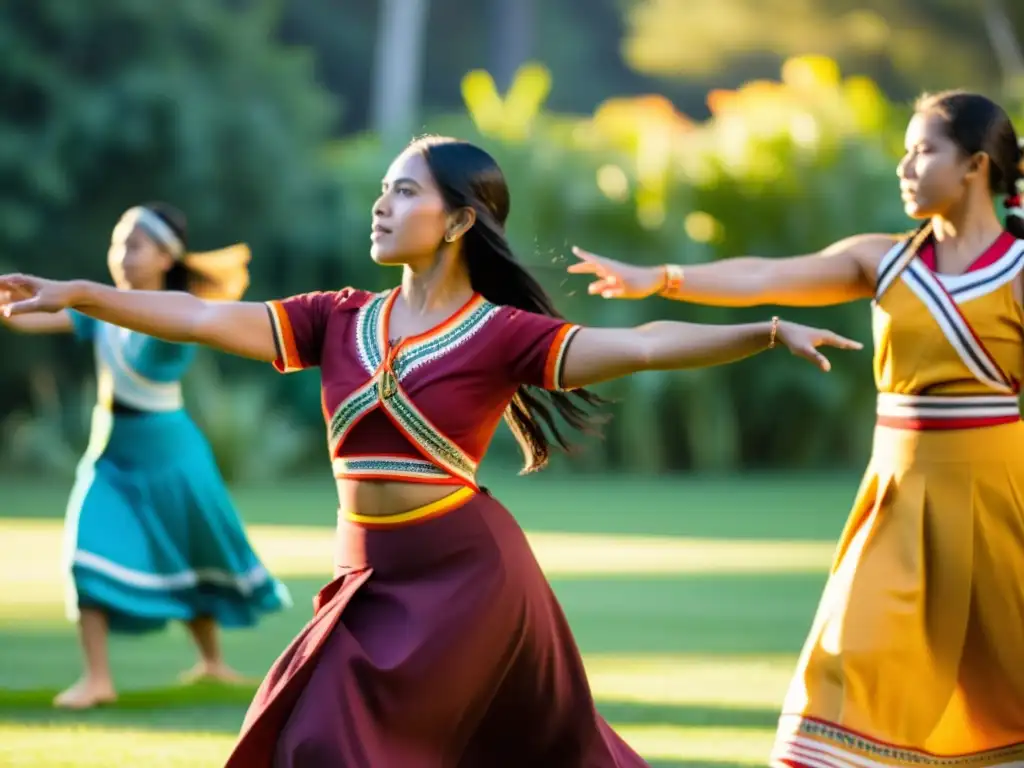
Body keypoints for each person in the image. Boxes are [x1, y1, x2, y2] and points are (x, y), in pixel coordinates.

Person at [1, 138, 858, 767]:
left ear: (456, 220)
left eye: (403, 192)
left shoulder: (502, 334)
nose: (380, 204)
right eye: (381, 189)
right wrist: (80, 292)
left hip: (468, 584)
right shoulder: (334, 316)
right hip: (365, 582)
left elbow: (638, 346)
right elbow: (196, 316)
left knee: (367, 749)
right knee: (305, 743)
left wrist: (767, 329)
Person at [567, 90, 1024, 767]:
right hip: (897, 510)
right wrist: (659, 278)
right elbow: (765, 275)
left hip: (1002, 508)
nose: (904, 165)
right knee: (840, 682)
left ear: (976, 166)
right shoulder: (885, 260)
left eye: (923, 150)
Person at [0, 203, 291, 710]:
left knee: (192, 555)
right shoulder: (100, 313)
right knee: (84, 553)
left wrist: (84, 299)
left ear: (164, 258)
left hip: (171, 454)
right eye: (118, 242)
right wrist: (12, 305)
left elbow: (143, 340)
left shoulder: (176, 316)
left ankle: (213, 662)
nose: (121, 254)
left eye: (134, 244)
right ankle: (97, 679)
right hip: (110, 454)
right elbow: (32, 322)